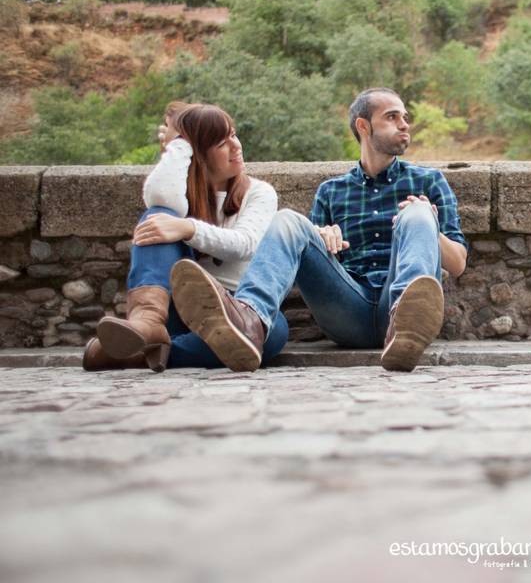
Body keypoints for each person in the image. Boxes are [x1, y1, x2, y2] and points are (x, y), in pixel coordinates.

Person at [169, 87, 468, 373]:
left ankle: (407, 329)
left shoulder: (430, 181)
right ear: (363, 126)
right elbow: (314, 258)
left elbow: (457, 264)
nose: (404, 125)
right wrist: (322, 236)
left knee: (416, 212)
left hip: (402, 309)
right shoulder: (331, 191)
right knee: (288, 220)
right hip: (348, 309)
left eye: (404, 117)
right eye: (392, 117)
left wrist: (429, 225)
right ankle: (250, 321)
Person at [82, 103, 289, 371]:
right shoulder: (180, 195)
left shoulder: (259, 193)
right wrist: (179, 144)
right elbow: (158, 198)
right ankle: (148, 321)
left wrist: (187, 229)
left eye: (234, 135)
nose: (236, 146)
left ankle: (134, 354)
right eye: (221, 143)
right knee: (157, 215)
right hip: (183, 310)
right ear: (199, 153)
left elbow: (244, 244)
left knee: (274, 333)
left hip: (239, 309)